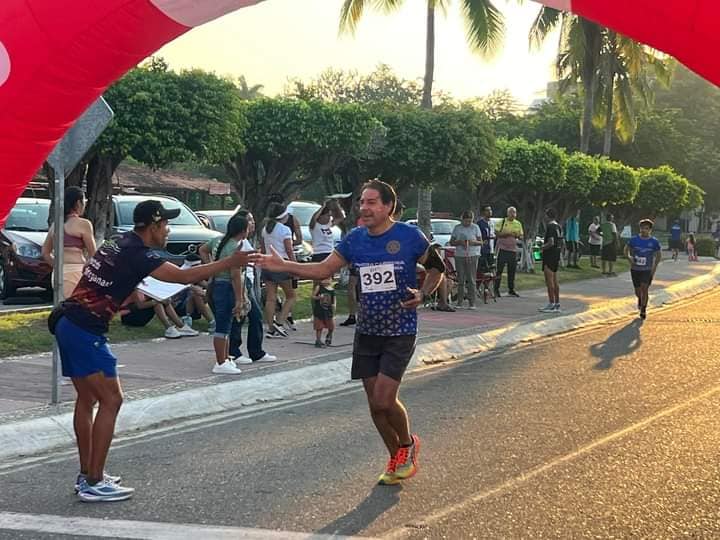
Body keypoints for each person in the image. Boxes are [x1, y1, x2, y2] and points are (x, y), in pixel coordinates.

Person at [51, 200, 258, 502]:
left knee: (88, 399)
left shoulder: (118, 241)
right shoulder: (139, 253)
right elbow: (185, 277)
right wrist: (230, 262)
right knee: (112, 399)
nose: (169, 230)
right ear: (154, 225)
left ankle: (87, 474)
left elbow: (112, 275)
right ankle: (94, 481)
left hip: (68, 321)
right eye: (166, 225)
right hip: (85, 329)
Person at [256, 179, 444, 486]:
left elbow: (437, 267)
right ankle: (395, 457)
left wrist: (423, 294)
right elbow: (321, 271)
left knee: (384, 400)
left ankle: (408, 445)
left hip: (400, 330)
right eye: (362, 202)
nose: (364, 208)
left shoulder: (409, 237)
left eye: (372, 202)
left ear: (388, 207)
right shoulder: (355, 239)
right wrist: (285, 265)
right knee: (374, 405)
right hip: (367, 331)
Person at [200, 214, 253, 375]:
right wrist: (240, 299)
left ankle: (226, 358)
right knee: (223, 326)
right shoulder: (234, 248)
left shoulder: (218, 240)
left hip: (216, 284)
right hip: (226, 286)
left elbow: (202, 249)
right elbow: (235, 275)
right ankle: (220, 362)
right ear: (243, 231)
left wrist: (211, 267)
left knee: (225, 324)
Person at [228, 209, 277, 364]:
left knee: (248, 316)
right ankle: (237, 352)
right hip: (243, 282)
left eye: (253, 220)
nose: (252, 223)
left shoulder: (246, 241)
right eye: (249, 220)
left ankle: (253, 351)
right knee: (249, 315)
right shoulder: (236, 243)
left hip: (248, 280)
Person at [42, 187, 97, 299]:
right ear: (78, 203)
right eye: (84, 201)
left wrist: (58, 267)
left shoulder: (55, 225)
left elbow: (45, 252)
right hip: (76, 272)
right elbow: (94, 254)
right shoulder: (83, 224)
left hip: (58, 273)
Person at [261, 203, 297, 338]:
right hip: (282, 263)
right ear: (283, 216)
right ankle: (280, 322)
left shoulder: (265, 229)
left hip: (268, 263)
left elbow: (263, 250)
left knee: (271, 298)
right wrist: (295, 266)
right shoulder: (284, 230)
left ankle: (270, 328)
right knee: (291, 296)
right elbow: (289, 250)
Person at [119, 290, 199, 339]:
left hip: (141, 313)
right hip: (130, 316)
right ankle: (169, 328)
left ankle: (181, 326)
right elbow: (139, 305)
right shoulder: (135, 288)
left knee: (162, 301)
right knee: (157, 303)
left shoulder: (146, 286)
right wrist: (158, 301)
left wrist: (166, 299)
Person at [624, 219, 662, 319]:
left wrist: (654, 267)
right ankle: (640, 299)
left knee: (645, 289)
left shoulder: (654, 242)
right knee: (637, 291)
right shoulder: (634, 239)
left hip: (647, 269)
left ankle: (643, 310)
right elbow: (626, 249)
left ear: (650, 230)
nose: (643, 230)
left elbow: (658, 255)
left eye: (646, 228)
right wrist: (629, 258)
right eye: (642, 228)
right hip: (635, 269)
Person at [449, 210, 482, 309]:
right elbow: (451, 242)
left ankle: (472, 302)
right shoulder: (457, 228)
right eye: (465, 221)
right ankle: (459, 302)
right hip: (460, 255)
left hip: (472, 254)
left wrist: (473, 242)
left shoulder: (475, 227)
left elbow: (481, 242)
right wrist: (458, 242)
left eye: (469, 221)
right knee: (461, 279)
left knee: (471, 279)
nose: (467, 223)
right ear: (462, 219)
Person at [494, 206, 524, 297]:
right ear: (507, 213)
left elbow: (521, 236)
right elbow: (497, 233)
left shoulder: (518, 223)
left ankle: (511, 289)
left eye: (514, 212)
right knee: (499, 270)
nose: (513, 214)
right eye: (511, 212)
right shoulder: (502, 222)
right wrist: (507, 233)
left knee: (512, 271)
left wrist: (517, 235)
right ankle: (496, 289)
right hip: (502, 249)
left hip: (513, 250)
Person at [539, 208, 563, 313]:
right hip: (556, 254)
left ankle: (551, 303)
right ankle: (557, 302)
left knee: (549, 280)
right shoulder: (558, 226)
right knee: (555, 279)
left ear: (548, 216)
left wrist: (542, 247)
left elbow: (551, 242)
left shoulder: (550, 226)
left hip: (550, 255)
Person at [310, 199, 345, 263]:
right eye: (327, 215)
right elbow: (314, 218)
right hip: (319, 254)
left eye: (330, 216)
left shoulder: (328, 224)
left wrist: (336, 205)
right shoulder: (315, 226)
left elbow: (341, 217)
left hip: (330, 253)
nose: (329, 218)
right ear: (320, 216)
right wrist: (323, 206)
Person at [312, 277, 336, 348]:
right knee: (319, 327)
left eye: (328, 279)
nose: (326, 281)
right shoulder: (319, 287)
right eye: (324, 279)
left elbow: (334, 300)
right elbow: (313, 296)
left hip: (328, 311)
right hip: (319, 310)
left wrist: (334, 307)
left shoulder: (332, 290)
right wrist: (318, 298)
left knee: (331, 326)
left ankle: (329, 335)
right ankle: (318, 340)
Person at [476, 205, 495, 275]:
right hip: (483, 250)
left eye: (490, 210)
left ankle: (488, 285)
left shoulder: (492, 223)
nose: (489, 212)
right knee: (483, 270)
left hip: (491, 249)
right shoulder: (480, 223)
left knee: (491, 269)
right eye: (487, 210)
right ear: (483, 212)